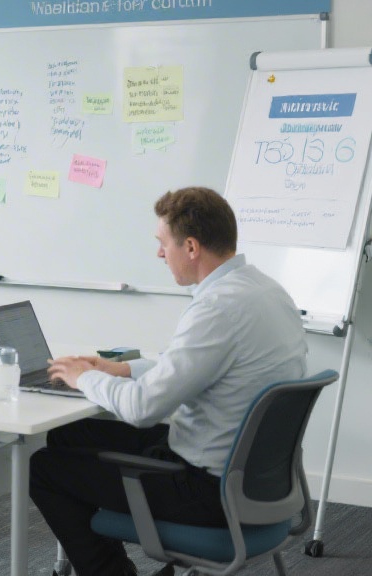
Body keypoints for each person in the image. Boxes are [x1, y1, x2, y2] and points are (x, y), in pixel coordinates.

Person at [29, 187, 308, 576]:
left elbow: (142, 410)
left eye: (163, 244)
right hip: (256, 480)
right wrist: (123, 369)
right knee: (68, 435)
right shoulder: (264, 290)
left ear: (191, 247)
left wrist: (86, 377)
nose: (160, 254)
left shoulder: (215, 308)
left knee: (46, 468)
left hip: (208, 489)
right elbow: (195, 365)